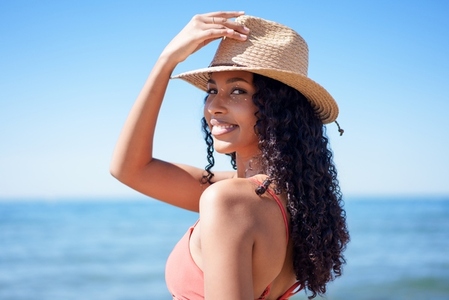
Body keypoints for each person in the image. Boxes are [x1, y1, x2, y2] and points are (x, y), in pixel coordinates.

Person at [110, 11, 349, 300]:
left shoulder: (229, 201)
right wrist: (166, 62)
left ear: (279, 108)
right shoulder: (291, 197)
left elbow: (129, 169)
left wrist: (166, 61)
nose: (214, 106)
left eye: (238, 90)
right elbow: (131, 169)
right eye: (212, 90)